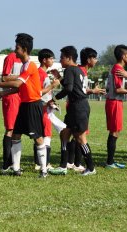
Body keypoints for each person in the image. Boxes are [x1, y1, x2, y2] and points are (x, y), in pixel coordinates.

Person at [0, 33, 48, 178]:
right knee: (15, 135)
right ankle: (16, 169)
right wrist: (2, 93)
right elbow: (18, 88)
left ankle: (44, 171)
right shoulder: (23, 66)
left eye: (17, 48)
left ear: (25, 49)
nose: (15, 50)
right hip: (24, 104)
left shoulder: (31, 66)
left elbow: (17, 83)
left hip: (33, 105)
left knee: (38, 138)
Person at [48, 46, 103, 176]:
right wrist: (60, 77)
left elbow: (69, 89)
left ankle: (90, 167)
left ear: (69, 58)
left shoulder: (70, 70)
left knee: (80, 138)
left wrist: (54, 98)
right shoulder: (77, 70)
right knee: (65, 134)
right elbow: (72, 86)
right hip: (77, 106)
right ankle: (63, 166)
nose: (60, 60)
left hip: (78, 107)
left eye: (62, 57)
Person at [66, 47, 103, 172]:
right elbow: (77, 90)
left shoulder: (81, 70)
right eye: (95, 58)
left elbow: (79, 89)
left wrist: (92, 90)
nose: (96, 60)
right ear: (89, 59)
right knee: (77, 136)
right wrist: (93, 91)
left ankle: (74, 163)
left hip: (78, 106)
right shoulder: (80, 70)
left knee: (76, 136)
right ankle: (73, 163)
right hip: (75, 106)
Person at [104, 45, 127, 169]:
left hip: (116, 102)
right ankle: (109, 162)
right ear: (123, 56)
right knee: (114, 131)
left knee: (116, 131)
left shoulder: (118, 68)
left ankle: (111, 161)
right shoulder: (118, 68)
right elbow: (118, 90)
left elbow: (122, 86)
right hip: (114, 102)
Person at [33, 48, 60, 171]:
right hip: (42, 108)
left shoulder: (44, 73)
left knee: (43, 135)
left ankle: (39, 163)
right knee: (46, 135)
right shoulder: (40, 73)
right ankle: (44, 163)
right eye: (51, 58)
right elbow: (38, 92)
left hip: (45, 106)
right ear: (44, 60)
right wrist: (52, 86)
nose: (53, 60)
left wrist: (51, 102)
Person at [0, 52, 22, 175]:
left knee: (17, 131)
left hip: (21, 96)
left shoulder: (26, 60)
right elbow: (4, 77)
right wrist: (22, 77)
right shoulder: (11, 57)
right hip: (11, 95)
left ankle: (14, 163)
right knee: (10, 129)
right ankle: (6, 165)